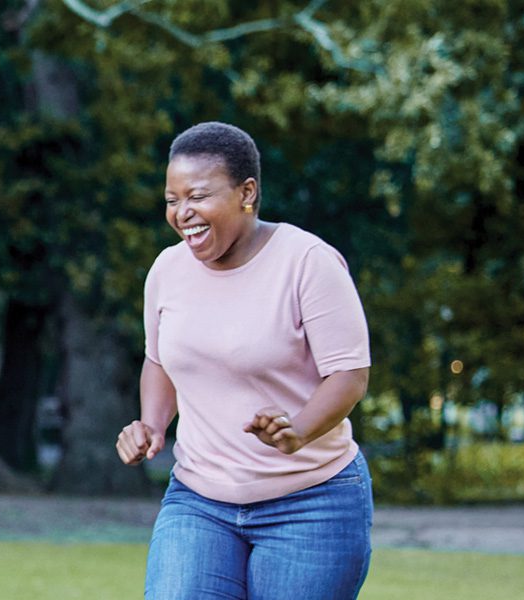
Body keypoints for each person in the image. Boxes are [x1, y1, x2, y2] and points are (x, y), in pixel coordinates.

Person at [116, 121, 374, 599]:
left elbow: (349, 373)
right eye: (172, 200)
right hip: (199, 499)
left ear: (247, 192)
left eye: (197, 196)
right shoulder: (167, 270)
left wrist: (299, 429)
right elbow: (160, 361)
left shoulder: (307, 262)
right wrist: (152, 425)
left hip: (311, 502)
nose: (182, 213)